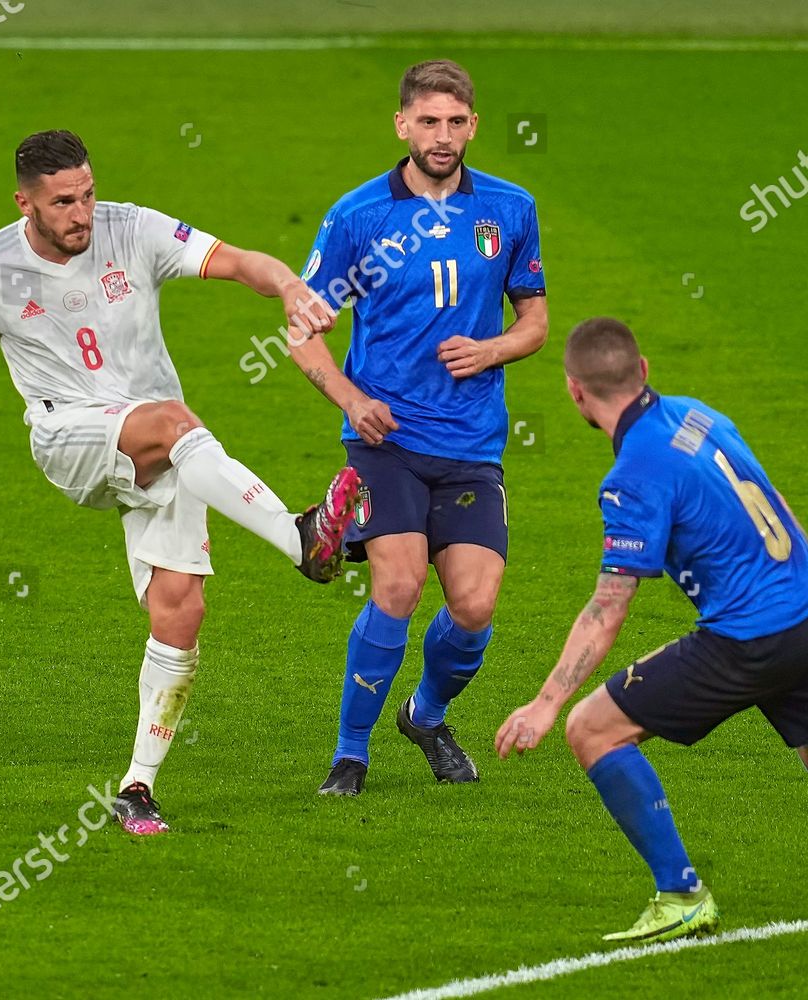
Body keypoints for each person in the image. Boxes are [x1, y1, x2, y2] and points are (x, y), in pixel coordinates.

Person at [0, 129, 362, 835]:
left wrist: (287, 286)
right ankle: (301, 540)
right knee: (173, 419)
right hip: (69, 436)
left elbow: (237, 261)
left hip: (165, 446)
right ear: (26, 203)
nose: (82, 213)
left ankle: (136, 787)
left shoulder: (131, 229)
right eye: (64, 202)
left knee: (179, 610)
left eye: (88, 194)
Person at [496, 317, 808, 942]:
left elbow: (608, 606)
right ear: (643, 371)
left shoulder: (632, 478)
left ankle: (681, 893)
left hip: (751, 640)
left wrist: (544, 702)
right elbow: (772, 501)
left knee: (592, 729)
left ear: (574, 392)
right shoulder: (699, 415)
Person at [294, 60, 548, 796]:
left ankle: (425, 715)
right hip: (386, 440)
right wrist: (350, 401)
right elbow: (305, 332)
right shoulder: (359, 217)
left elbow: (533, 319)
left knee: (473, 606)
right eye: (428, 122)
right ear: (402, 125)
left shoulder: (509, 209)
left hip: (471, 446)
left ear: (473, 125)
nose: (443, 136)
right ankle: (350, 752)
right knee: (400, 585)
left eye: (457, 122)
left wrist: (492, 348)